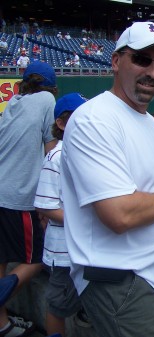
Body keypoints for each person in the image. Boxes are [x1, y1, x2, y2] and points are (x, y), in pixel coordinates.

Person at [60, 21, 154, 337]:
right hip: (122, 281)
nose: (153, 72)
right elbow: (119, 214)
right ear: (116, 61)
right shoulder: (95, 119)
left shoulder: (148, 122)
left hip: (148, 277)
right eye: (142, 59)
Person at [0, 61, 58, 337]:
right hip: (18, 197)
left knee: (0, 259)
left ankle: (1, 324)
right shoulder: (47, 99)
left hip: (1, 190)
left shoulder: (14, 102)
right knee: (38, 257)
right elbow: (51, 154)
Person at [34, 93, 88, 337]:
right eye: (79, 118)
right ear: (62, 123)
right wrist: (89, 220)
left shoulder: (86, 154)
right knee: (58, 306)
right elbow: (45, 206)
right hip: (63, 251)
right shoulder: (55, 156)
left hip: (86, 248)